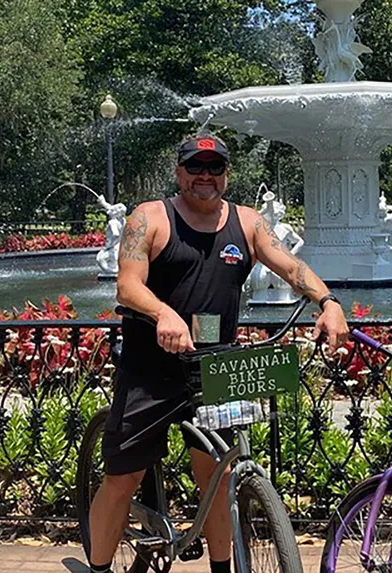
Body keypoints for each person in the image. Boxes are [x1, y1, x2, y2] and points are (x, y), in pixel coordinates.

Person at [88, 133, 350, 573]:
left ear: (227, 174)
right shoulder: (149, 217)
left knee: (220, 474)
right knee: (122, 478)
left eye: (214, 168)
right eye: (195, 167)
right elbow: (128, 285)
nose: (204, 177)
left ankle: (222, 567)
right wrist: (163, 314)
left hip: (215, 369)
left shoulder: (247, 223)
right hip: (151, 369)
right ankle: (98, 568)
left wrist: (328, 302)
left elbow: (289, 266)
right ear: (179, 172)